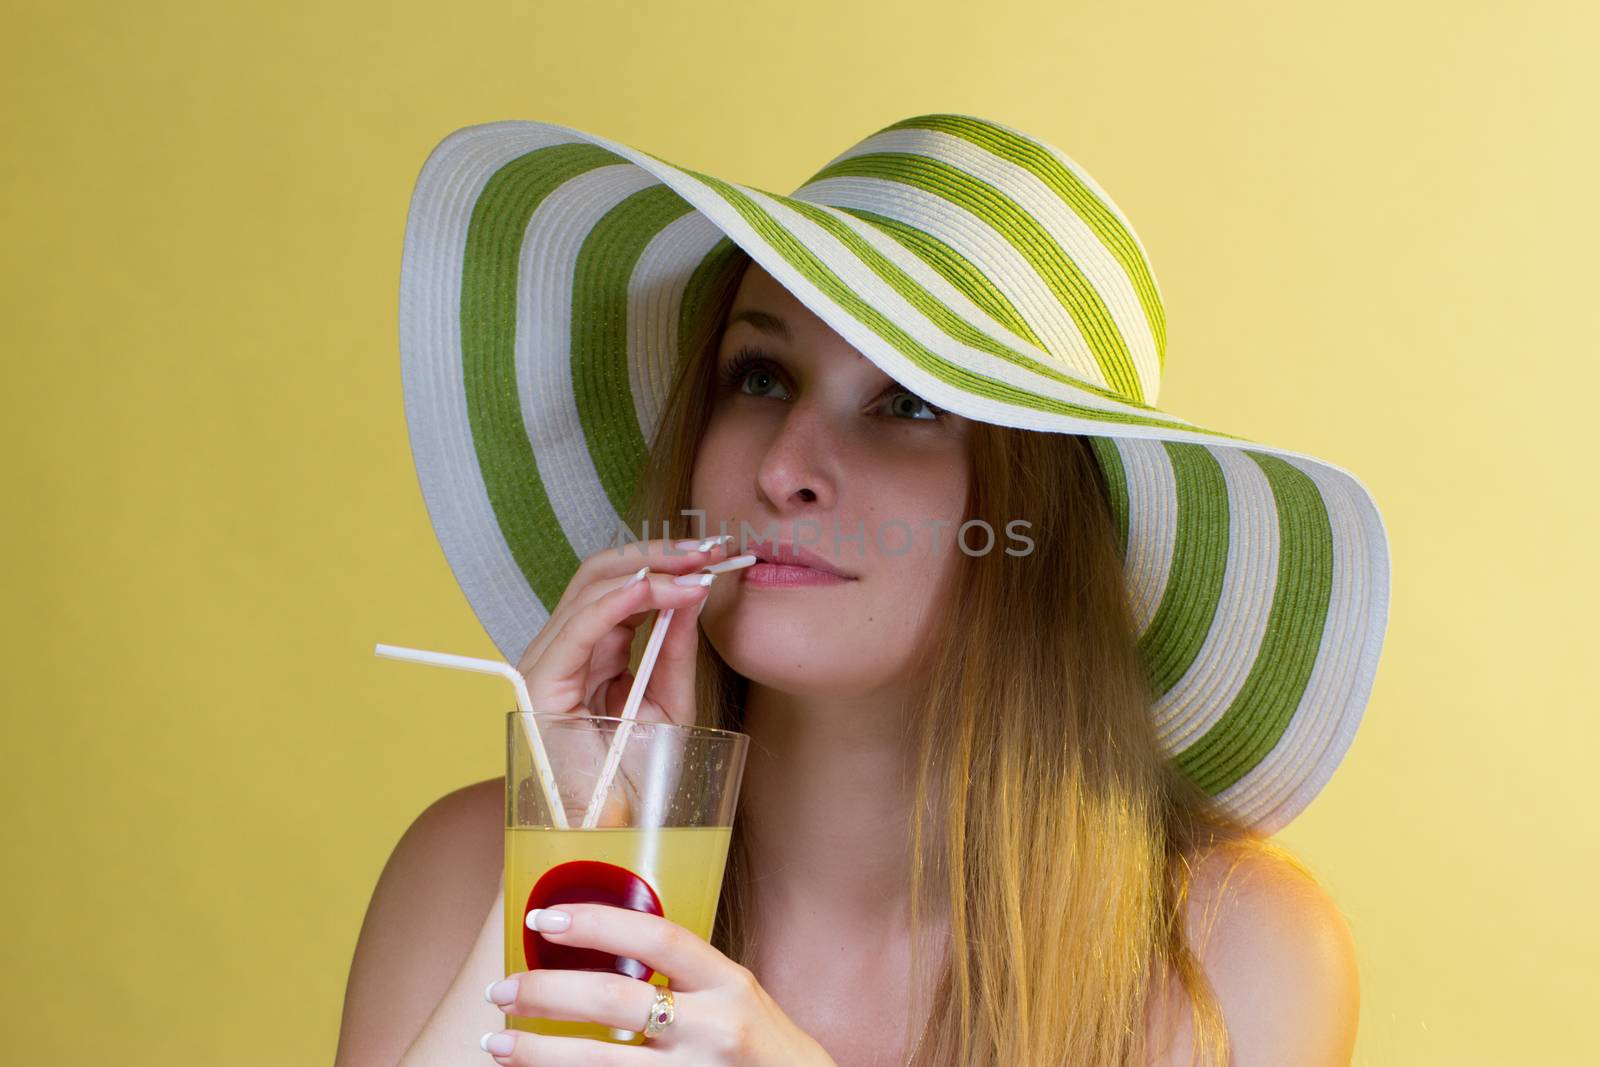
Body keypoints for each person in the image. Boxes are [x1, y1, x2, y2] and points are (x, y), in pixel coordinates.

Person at [338, 112, 1387, 1067]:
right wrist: (577, 848)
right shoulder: (471, 867)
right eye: (759, 376)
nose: (785, 463)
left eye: (910, 403)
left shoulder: (1231, 955)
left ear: (1041, 522)